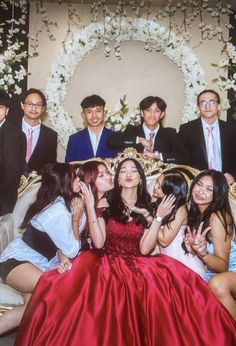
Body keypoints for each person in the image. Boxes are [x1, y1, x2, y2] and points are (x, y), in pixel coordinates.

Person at [15, 152, 236, 345]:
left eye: (133, 170)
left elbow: (146, 248)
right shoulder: (104, 203)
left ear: (141, 177)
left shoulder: (152, 205)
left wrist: (156, 217)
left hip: (140, 262)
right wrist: (91, 207)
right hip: (104, 261)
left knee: (159, 292)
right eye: (123, 171)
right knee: (71, 288)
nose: (128, 174)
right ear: (117, 177)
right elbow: (99, 243)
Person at [0, 163, 83, 334]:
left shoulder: (60, 204)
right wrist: (76, 218)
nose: (79, 180)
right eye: (75, 177)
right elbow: (72, 249)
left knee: (29, 312)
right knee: (58, 289)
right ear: (65, 182)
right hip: (17, 263)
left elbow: (63, 248)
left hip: (32, 265)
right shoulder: (56, 211)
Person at [184, 169, 236, 321]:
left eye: (209, 189)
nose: (201, 191)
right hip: (212, 272)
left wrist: (203, 253)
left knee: (217, 284)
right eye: (199, 185)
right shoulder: (197, 213)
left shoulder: (217, 217)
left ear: (217, 194)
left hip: (230, 272)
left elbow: (222, 266)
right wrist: (192, 249)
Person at [152, 170, 206, 278]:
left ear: (170, 190)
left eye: (159, 186)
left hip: (185, 267)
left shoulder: (180, 209)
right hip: (167, 263)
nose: (154, 186)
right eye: (156, 182)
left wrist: (151, 216)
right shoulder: (157, 202)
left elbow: (164, 240)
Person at [178, 89, 236, 185]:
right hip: (197, 183)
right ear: (198, 108)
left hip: (225, 183)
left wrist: (233, 175)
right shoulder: (187, 130)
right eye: (203, 103)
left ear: (219, 106)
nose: (207, 106)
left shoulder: (231, 129)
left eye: (212, 102)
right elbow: (181, 159)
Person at [107, 96, 183, 163]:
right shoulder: (132, 130)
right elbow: (111, 141)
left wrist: (158, 156)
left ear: (162, 114)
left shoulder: (169, 133)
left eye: (157, 111)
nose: (152, 114)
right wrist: (139, 140)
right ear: (142, 113)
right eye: (148, 110)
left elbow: (183, 156)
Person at [65, 95, 119, 162]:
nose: (94, 116)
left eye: (98, 111)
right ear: (83, 115)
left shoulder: (116, 138)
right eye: (89, 112)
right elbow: (69, 168)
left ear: (104, 113)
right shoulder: (74, 140)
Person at [0, 91, 26, 216]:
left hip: (3, 199)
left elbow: (11, 173)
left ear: (7, 110)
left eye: (0, 107)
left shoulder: (16, 135)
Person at [21, 88, 57, 174]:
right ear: (22, 105)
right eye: (30, 104)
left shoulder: (51, 135)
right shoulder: (10, 129)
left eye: (38, 105)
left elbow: (50, 167)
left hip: (38, 185)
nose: (34, 108)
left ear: (43, 108)